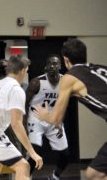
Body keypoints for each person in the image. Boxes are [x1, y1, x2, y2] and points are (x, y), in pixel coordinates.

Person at [35, 38, 107, 180]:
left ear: (66, 60)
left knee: (93, 175)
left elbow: (56, 119)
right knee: (94, 173)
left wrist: (44, 115)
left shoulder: (70, 77)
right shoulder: (101, 69)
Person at [25, 55, 69, 180]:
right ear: (46, 67)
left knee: (65, 155)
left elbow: (63, 104)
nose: (53, 66)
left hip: (53, 119)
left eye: (56, 64)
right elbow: (25, 103)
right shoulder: (36, 82)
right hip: (36, 118)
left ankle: (55, 176)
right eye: (50, 63)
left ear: (60, 66)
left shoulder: (65, 81)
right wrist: (23, 123)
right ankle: (25, 177)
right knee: (35, 152)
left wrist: (59, 122)